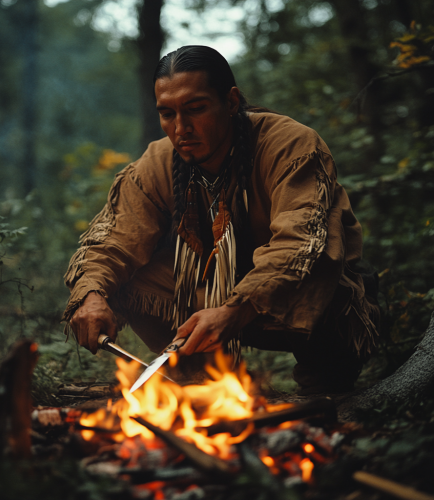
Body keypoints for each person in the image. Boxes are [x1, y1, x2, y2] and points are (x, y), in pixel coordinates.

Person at [62, 45, 380, 394]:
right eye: (167, 114)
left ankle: (326, 386)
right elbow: (114, 239)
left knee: (317, 267)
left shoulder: (290, 146)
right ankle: (200, 380)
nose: (181, 128)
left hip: (288, 300)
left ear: (230, 102)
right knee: (120, 279)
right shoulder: (157, 164)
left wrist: (235, 309)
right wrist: (90, 293)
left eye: (196, 109)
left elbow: (299, 244)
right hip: (205, 300)